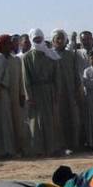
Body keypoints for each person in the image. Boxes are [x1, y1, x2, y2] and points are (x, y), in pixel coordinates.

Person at [22, 28, 63, 156]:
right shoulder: (27, 57)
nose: (38, 41)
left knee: (51, 120)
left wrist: (57, 92)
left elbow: (57, 76)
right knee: (36, 121)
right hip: (35, 92)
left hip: (49, 91)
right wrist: (29, 96)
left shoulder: (51, 55)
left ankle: (52, 148)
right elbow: (26, 78)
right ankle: (38, 150)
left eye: (39, 38)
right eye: (35, 39)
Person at [0, 34, 29, 157]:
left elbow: (21, 79)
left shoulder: (16, 60)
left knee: (18, 123)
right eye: (7, 43)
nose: (10, 45)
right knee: (5, 124)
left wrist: (22, 94)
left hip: (15, 96)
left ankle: (20, 148)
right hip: (1, 96)